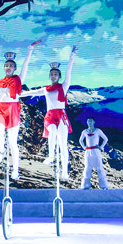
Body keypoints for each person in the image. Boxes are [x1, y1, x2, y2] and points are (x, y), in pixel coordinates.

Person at [0, 40, 41, 180]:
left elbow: (26, 65)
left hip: (13, 110)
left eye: (11, 66)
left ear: (14, 68)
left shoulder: (18, 79)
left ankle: (15, 170)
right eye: (6, 65)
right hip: (1, 108)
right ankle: (1, 151)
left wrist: (30, 49)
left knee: (12, 142)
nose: (8, 67)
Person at [20, 46, 77, 181]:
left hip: (61, 116)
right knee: (52, 132)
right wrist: (19, 94)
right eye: (52, 74)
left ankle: (65, 172)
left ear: (59, 76)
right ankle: (51, 156)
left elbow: (69, 72)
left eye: (56, 74)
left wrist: (72, 56)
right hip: (50, 116)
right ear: (50, 76)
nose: (53, 76)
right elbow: (33, 92)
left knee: (63, 145)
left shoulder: (63, 86)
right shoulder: (46, 89)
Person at [79, 117, 109, 190]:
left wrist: (101, 147)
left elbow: (105, 139)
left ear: (94, 122)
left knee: (99, 167)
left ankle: (103, 185)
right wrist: (84, 147)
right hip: (88, 152)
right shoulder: (84, 131)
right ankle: (86, 185)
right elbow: (80, 140)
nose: (89, 122)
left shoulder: (98, 131)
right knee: (87, 168)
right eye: (88, 121)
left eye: (91, 121)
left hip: (96, 151)